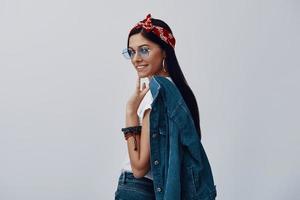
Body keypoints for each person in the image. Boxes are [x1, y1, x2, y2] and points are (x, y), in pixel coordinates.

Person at [115, 14, 217, 200]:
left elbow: (139, 168)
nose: (136, 59)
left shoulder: (157, 94)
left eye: (144, 50)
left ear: (164, 51)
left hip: (136, 188)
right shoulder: (179, 93)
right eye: (131, 52)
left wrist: (130, 111)